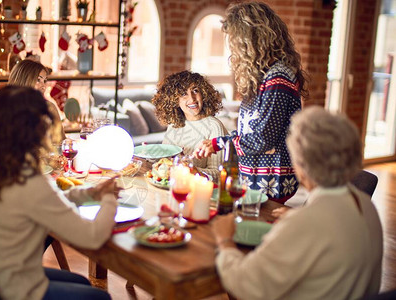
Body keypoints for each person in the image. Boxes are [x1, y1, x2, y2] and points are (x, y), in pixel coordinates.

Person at [0, 86, 117, 300]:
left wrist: (89, 194)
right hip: (9, 291)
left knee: (82, 283)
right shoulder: (26, 180)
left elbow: (37, 202)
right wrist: (110, 199)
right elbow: (93, 237)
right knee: (99, 298)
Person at [212, 106, 383, 300]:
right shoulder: (364, 203)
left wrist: (224, 240)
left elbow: (246, 285)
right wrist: (299, 217)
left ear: (301, 166)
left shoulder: (305, 223)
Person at [193, 2, 308, 203]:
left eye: (236, 41)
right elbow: (251, 132)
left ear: (251, 40)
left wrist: (219, 143)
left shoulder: (278, 79)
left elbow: (263, 138)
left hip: (271, 182)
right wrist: (218, 142)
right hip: (255, 180)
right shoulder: (264, 77)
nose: (233, 49)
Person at [152, 70, 227, 180]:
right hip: (174, 186)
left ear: (204, 94)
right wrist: (152, 159)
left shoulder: (214, 126)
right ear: (174, 100)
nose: (192, 99)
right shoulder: (174, 125)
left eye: (195, 91)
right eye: (183, 94)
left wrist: (189, 169)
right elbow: (165, 162)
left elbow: (219, 174)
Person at [8, 59, 66, 142]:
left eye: (45, 81)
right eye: (38, 80)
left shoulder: (49, 108)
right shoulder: (6, 110)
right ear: (24, 80)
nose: (43, 86)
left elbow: (61, 142)